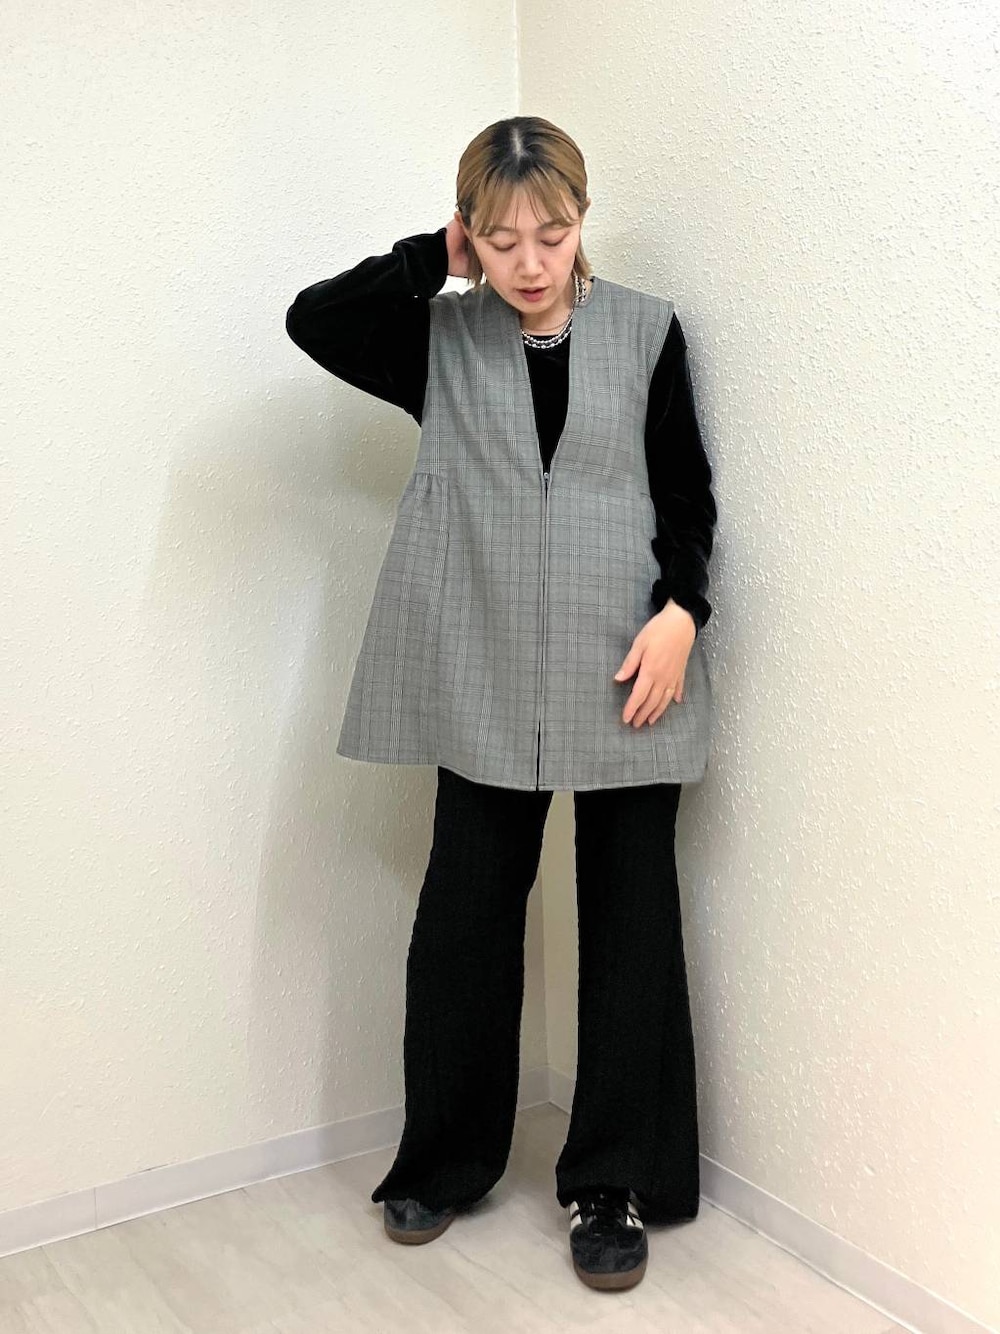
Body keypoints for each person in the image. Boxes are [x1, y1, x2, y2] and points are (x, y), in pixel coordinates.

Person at [285, 115, 717, 1293]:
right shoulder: (437, 338)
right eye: (501, 239)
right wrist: (431, 260)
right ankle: (444, 1159)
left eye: (554, 234)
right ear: (470, 234)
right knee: (465, 917)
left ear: (584, 220)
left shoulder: (647, 331)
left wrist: (683, 611)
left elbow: (686, 488)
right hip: (481, 660)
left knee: (630, 917)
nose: (531, 262)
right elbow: (315, 320)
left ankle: (612, 1180)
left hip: (629, 660)